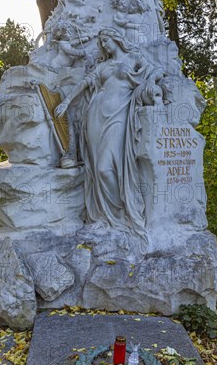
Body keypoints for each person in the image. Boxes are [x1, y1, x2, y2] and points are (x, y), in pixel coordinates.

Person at [55, 27, 163, 247]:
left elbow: (156, 70)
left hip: (119, 115)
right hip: (95, 115)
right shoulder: (102, 66)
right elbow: (84, 83)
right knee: (96, 167)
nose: (103, 45)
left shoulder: (134, 57)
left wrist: (151, 83)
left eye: (106, 40)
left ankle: (119, 214)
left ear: (116, 38)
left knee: (106, 168)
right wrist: (67, 102)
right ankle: (104, 217)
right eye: (101, 42)